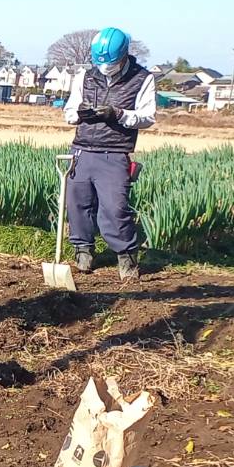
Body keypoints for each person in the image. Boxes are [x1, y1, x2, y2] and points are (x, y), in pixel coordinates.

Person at [63, 26, 156, 281]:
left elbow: (148, 117)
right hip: (82, 150)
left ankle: (126, 257)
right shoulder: (85, 76)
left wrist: (118, 114)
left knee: (115, 208)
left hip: (115, 152)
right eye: (101, 62)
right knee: (77, 204)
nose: (105, 67)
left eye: (111, 62)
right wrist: (79, 113)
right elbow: (69, 111)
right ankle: (83, 250)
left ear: (124, 55)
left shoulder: (142, 79)